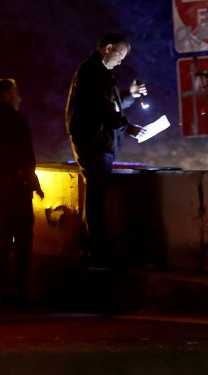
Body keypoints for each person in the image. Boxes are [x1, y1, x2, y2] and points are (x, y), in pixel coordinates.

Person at [66, 33, 147, 267]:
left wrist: (128, 96)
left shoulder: (98, 72)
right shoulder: (92, 72)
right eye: (120, 55)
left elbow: (108, 104)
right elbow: (101, 110)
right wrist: (128, 128)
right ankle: (98, 253)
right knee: (95, 199)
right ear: (108, 48)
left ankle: (89, 249)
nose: (121, 61)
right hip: (94, 143)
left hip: (99, 142)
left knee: (95, 197)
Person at [0, 78, 44, 308]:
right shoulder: (17, 122)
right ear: (6, 95)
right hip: (16, 187)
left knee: (2, 239)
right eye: (16, 93)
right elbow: (27, 157)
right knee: (24, 239)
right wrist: (34, 184)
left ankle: (0, 292)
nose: (20, 98)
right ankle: (21, 290)